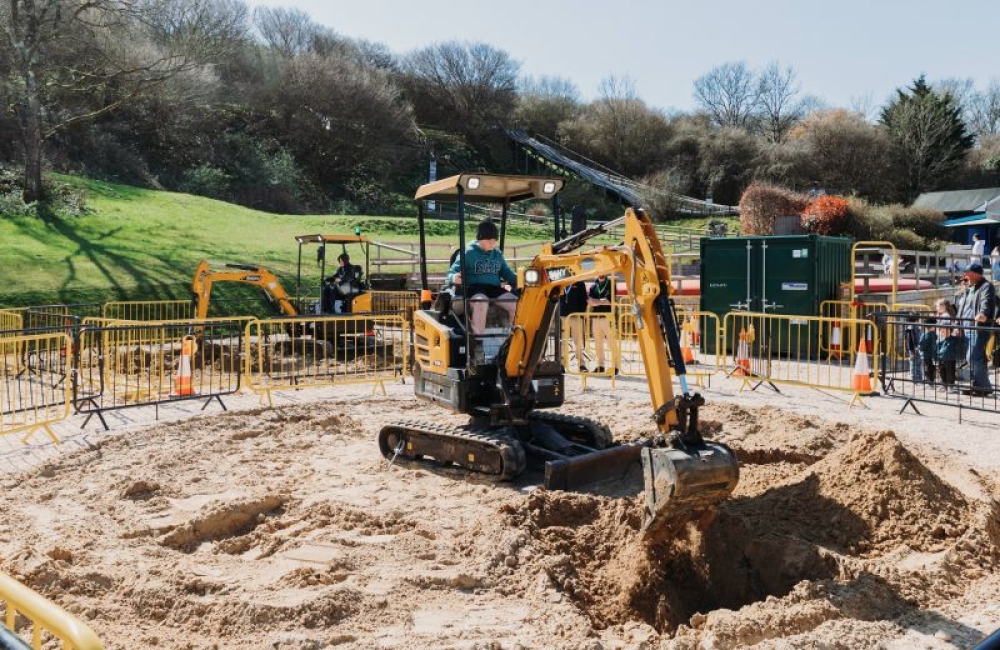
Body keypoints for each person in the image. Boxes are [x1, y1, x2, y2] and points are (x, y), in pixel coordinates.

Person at [447, 220, 517, 335]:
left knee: (514, 302)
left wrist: (522, 279)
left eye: (494, 240)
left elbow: (507, 273)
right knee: (481, 302)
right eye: (489, 240)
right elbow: (451, 272)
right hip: (475, 288)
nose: (492, 243)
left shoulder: (497, 254)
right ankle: (478, 341)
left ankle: (512, 338)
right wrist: (454, 277)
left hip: (493, 289)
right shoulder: (468, 253)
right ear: (481, 239)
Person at [958, 262, 996, 395]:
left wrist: (984, 314)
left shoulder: (986, 286)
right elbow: (963, 307)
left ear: (974, 273)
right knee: (978, 358)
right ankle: (978, 386)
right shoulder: (970, 287)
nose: (965, 275)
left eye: (967, 273)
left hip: (978, 329)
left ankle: (984, 387)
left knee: (972, 358)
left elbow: (987, 301)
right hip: (966, 328)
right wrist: (958, 325)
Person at [588, 274, 615, 374]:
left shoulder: (611, 284)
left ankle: (615, 365)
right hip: (595, 318)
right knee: (598, 343)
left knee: (611, 343)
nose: (600, 272)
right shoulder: (593, 286)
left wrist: (596, 302)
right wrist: (600, 301)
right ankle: (600, 365)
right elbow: (590, 302)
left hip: (607, 317)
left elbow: (608, 301)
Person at [560, 281, 588, 371]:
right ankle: (561, 364)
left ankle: (581, 364)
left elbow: (584, 300)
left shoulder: (579, 283)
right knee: (563, 341)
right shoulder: (561, 282)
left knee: (578, 341)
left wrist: (580, 314)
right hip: (562, 315)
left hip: (576, 316)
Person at [935, 298, 960, 388]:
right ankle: (946, 384)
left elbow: (946, 332)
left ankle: (948, 384)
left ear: (943, 306)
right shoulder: (945, 315)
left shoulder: (946, 316)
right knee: (944, 364)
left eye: (937, 306)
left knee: (947, 364)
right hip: (943, 341)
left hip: (946, 341)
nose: (936, 308)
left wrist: (939, 329)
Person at [918, 317, 938, 383]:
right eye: (935, 326)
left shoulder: (931, 334)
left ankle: (931, 380)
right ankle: (930, 381)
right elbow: (922, 345)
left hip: (930, 355)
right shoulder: (926, 335)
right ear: (932, 326)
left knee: (930, 368)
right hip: (927, 355)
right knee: (928, 369)